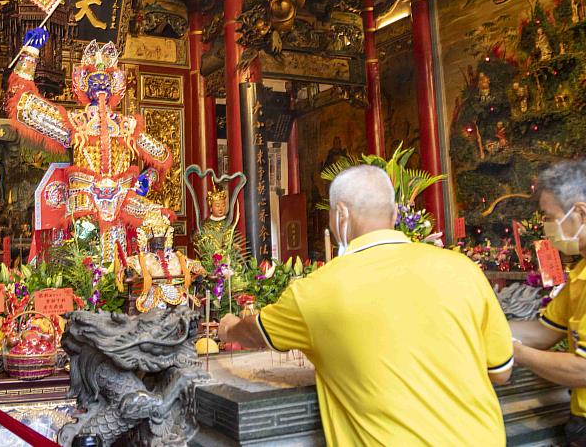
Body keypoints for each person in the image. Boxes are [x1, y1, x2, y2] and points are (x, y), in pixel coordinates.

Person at [219, 164, 513, 446]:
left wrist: (229, 328)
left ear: (341, 214)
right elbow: (500, 371)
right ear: (396, 212)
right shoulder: (463, 269)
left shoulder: (317, 291)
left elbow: (256, 333)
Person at [510, 160, 586, 444]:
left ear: (580, 212)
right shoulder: (580, 274)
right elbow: (543, 333)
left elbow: (583, 369)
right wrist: (481, 327)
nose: (546, 228)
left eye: (550, 217)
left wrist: (514, 352)